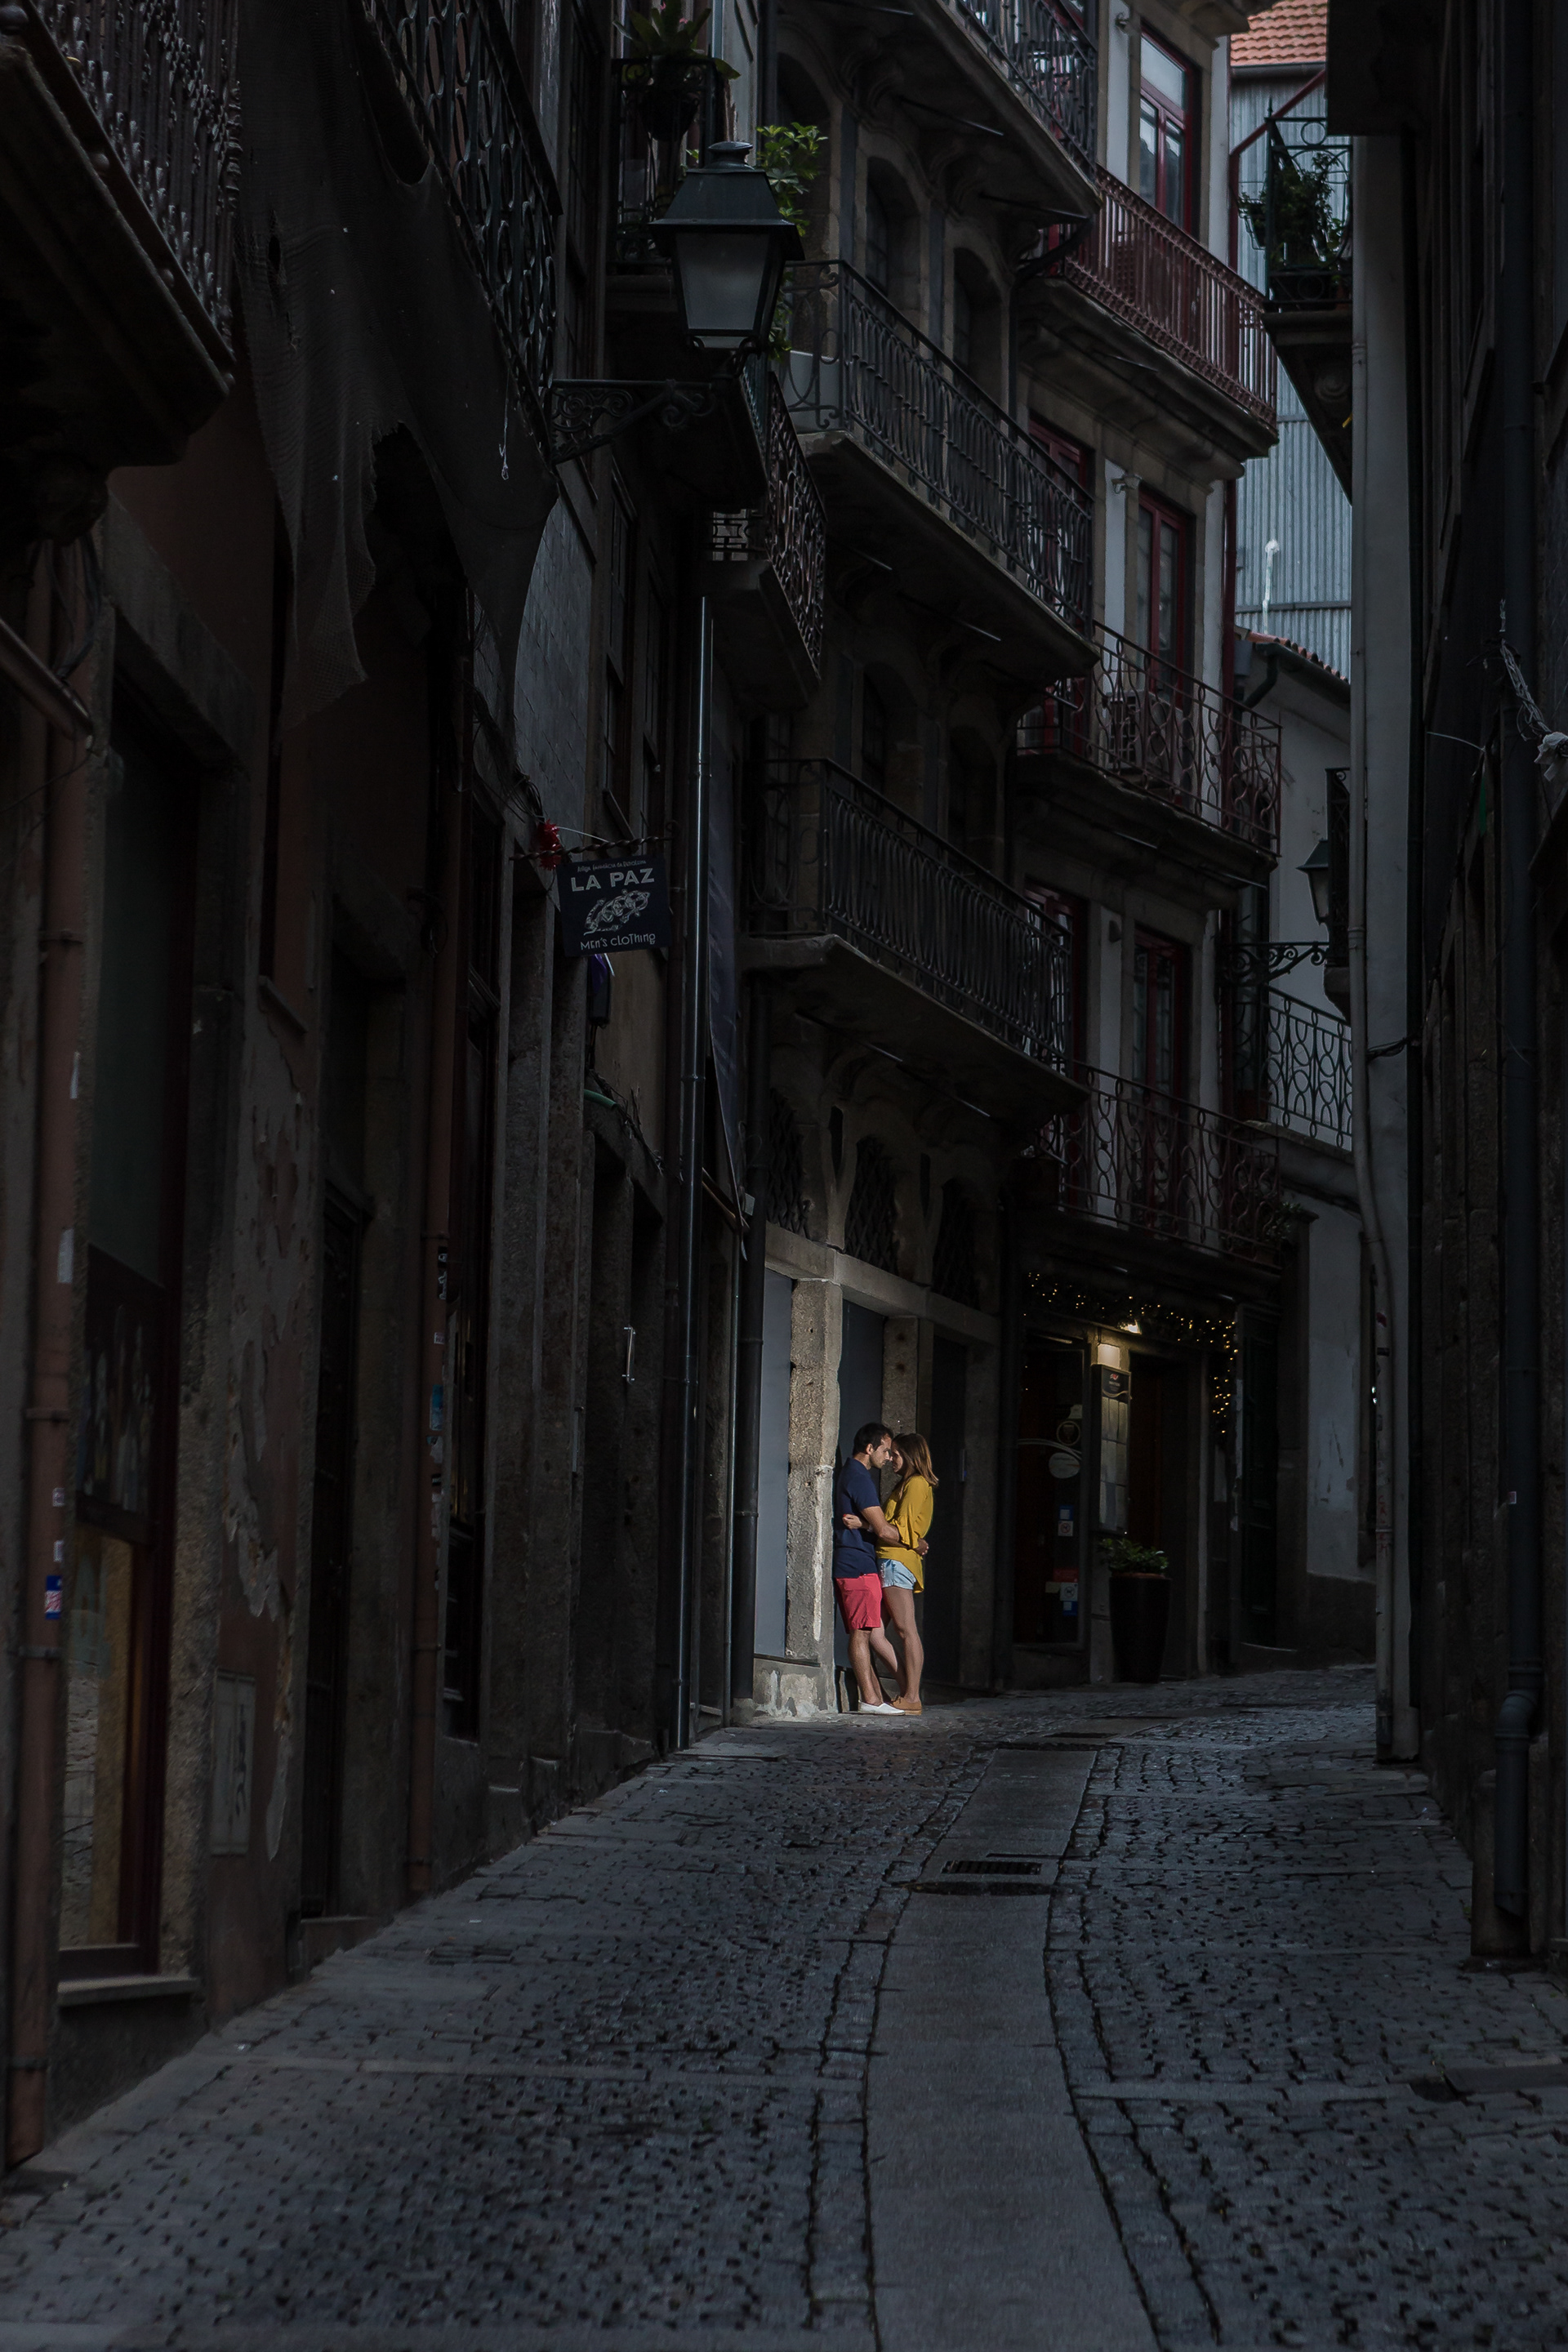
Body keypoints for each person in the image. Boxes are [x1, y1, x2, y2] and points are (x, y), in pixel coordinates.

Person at [832, 1423, 906, 1714]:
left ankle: (879, 1696)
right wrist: (914, 1541)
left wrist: (864, 1524)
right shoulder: (859, 1477)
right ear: (869, 1448)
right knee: (862, 1633)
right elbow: (884, 1530)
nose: (888, 1457)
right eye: (885, 1451)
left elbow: (872, 1526)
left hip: (858, 1562)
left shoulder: (855, 1474)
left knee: (868, 1631)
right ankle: (870, 1700)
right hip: (857, 1565)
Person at [875, 1432, 937, 1715]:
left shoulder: (916, 1483)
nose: (891, 1459)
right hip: (891, 1560)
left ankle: (912, 1696)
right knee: (874, 1632)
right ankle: (906, 1692)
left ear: (911, 1456)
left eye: (896, 1454)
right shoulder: (906, 1484)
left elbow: (902, 1529)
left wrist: (868, 1526)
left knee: (905, 1630)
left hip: (897, 1561)